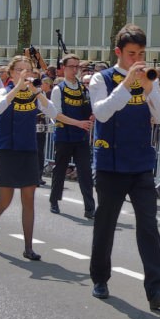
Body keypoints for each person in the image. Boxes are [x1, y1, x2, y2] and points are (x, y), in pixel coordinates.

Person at [88, 24, 160, 310]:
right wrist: (126, 83)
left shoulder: (148, 81)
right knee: (106, 225)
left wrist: (151, 90)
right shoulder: (100, 79)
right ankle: (100, 278)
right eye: (131, 54)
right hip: (111, 164)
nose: (136, 59)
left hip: (140, 164)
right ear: (118, 53)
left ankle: (156, 290)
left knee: (149, 227)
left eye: (140, 53)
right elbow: (102, 113)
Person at [0, 55, 57, 259]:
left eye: (28, 70)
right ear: (11, 73)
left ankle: (28, 247)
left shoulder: (35, 94)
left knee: (29, 200)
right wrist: (17, 87)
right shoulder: (4, 91)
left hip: (28, 150)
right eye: (20, 70)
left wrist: (39, 93)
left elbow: (52, 112)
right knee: (5, 200)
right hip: (8, 150)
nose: (25, 74)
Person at [48, 54, 96, 218]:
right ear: (64, 68)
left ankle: (90, 208)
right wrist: (78, 123)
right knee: (60, 170)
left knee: (85, 172)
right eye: (71, 66)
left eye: (77, 67)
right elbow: (57, 115)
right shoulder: (58, 89)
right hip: (64, 136)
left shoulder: (84, 89)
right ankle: (54, 201)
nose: (75, 70)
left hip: (80, 137)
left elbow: (89, 109)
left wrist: (91, 116)